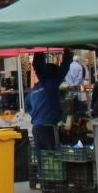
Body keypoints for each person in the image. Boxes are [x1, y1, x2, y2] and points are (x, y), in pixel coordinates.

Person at [26, 48, 74, 184]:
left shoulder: (33, 89)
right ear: (54, 73)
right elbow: (65, 67)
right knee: (53, 155)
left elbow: (28, 106)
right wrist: (68, 50)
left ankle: (44, 184)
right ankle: (54, 183)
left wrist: (39, 50)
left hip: (36, 127)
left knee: (41, 158)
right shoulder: (52, 84)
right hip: (49, 127)